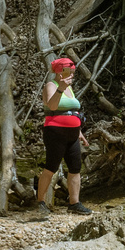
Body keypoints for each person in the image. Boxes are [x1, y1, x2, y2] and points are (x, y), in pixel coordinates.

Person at [33, 55, 95, 218]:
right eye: (70, 71)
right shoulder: (51, 86)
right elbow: (52, 106)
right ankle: (40, 202)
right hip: (55, 132)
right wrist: (60, 88)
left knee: (75, 168)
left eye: (73, 72)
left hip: (72, 134)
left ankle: (74, 203)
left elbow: (72, 112)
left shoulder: (69, 88)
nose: (72, 75)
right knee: (51, 167)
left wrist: (79, 132)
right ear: (61, 72)